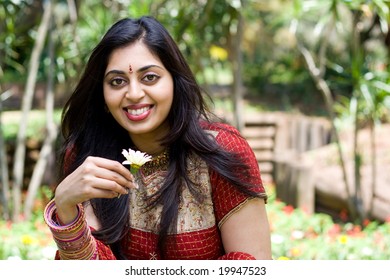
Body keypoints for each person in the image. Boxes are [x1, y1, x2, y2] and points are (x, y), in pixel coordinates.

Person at [44, 16, 272, 260]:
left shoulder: (221, 152)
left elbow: (253, 267)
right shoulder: (89, 157)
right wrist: (66, 208)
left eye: (149, 77)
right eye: (117, 81)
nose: (133, 93)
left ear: (175, 81)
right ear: (102, 95)